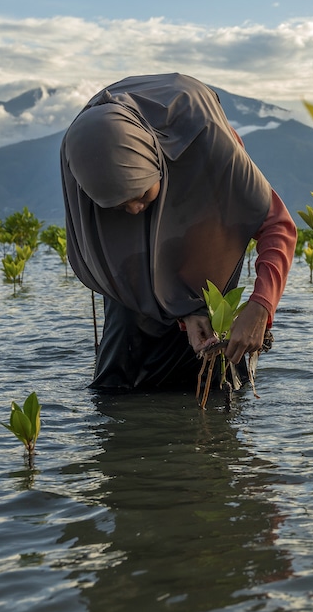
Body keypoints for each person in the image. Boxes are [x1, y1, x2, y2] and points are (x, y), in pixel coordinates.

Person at [60, 73, 296, 390]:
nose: (133, 210)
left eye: (141, 195)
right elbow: (118, 247)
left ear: (154, 161)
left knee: (219, 375)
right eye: (117, 207)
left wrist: (260, 307)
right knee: (121, 377)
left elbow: (277, 227)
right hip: (136, 280)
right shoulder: (91, 156)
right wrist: (182, 315)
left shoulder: (210, 144)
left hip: (206, 243)